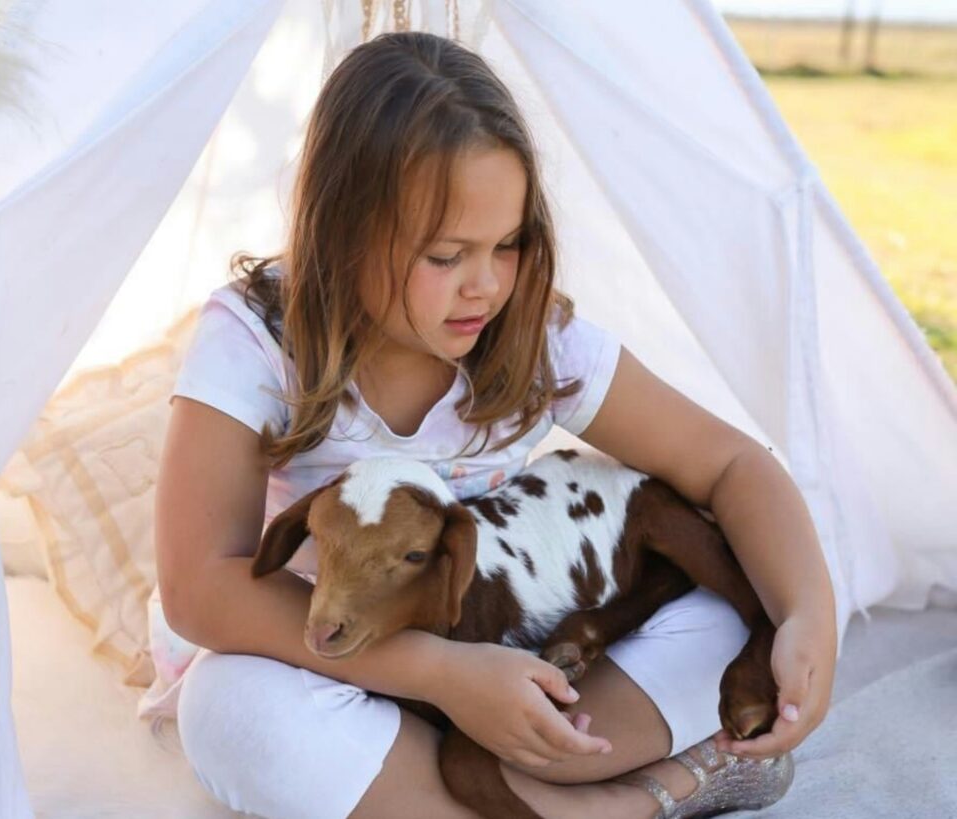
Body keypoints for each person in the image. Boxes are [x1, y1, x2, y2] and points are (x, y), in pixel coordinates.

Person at [150, 30, 837, 819]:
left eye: (507, 245)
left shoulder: (533, 338)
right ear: (343, 230)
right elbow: (199, 586)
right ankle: (638, 800)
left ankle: (538, 783)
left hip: (529, 662)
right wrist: (442, 674)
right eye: (446, 255)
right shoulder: (256, 338)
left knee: (744, 589)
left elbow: (729, 466)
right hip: (345, 665)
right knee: (224, 705)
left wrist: (807, 616)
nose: (485, 286)